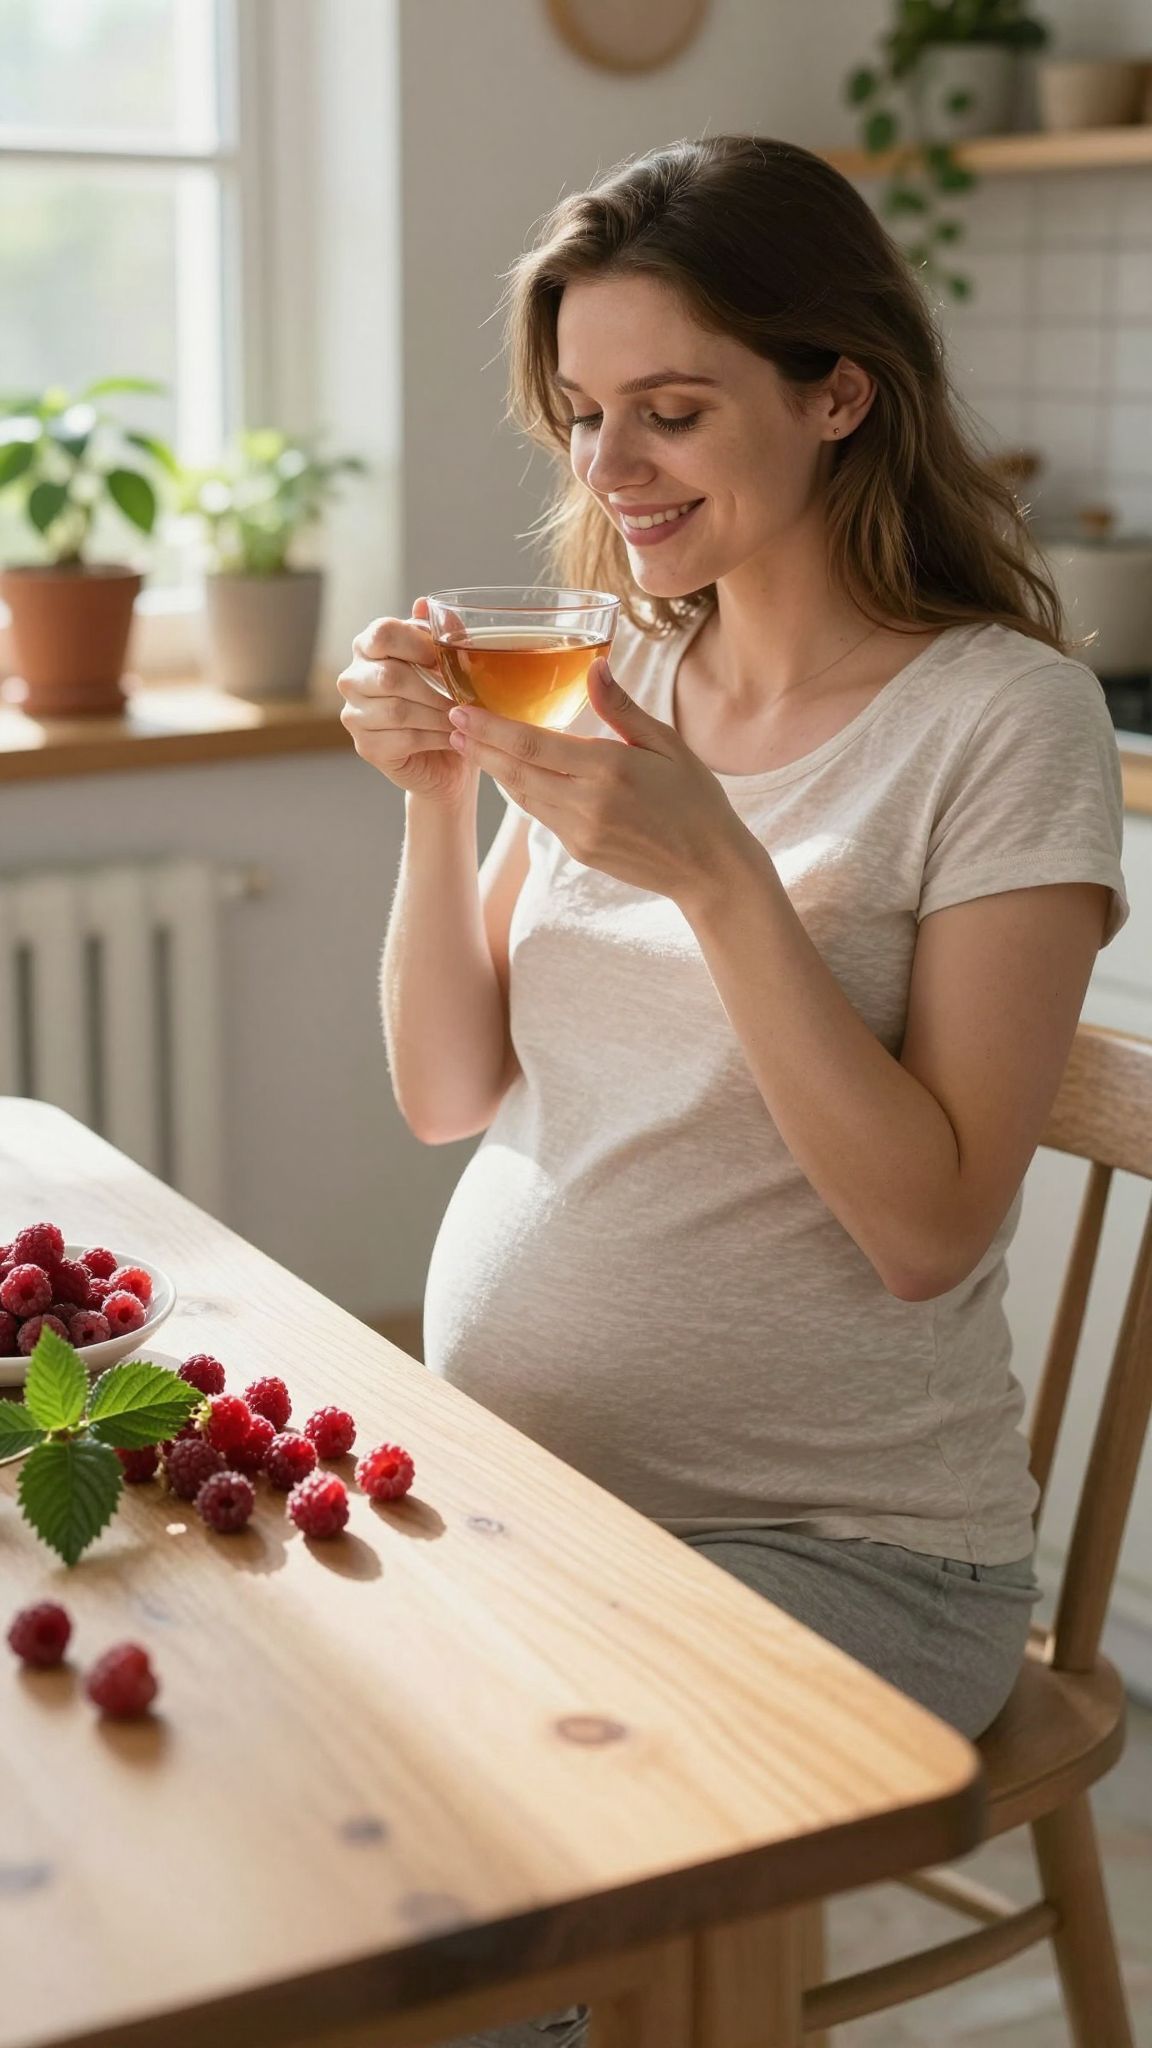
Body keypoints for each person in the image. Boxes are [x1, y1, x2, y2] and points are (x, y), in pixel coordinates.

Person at [338, 133, 1128, 2047]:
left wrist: (719, 877)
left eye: (672, 411)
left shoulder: (1001, 723)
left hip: (848, 1557)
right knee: (287, 1793)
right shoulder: (620, 661)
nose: (609, 467)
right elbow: (448, 1089)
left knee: (483, 1914)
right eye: (583, 413)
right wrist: (437, 803)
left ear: (837, 392)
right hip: (539, 1508)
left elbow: (930, 1230)